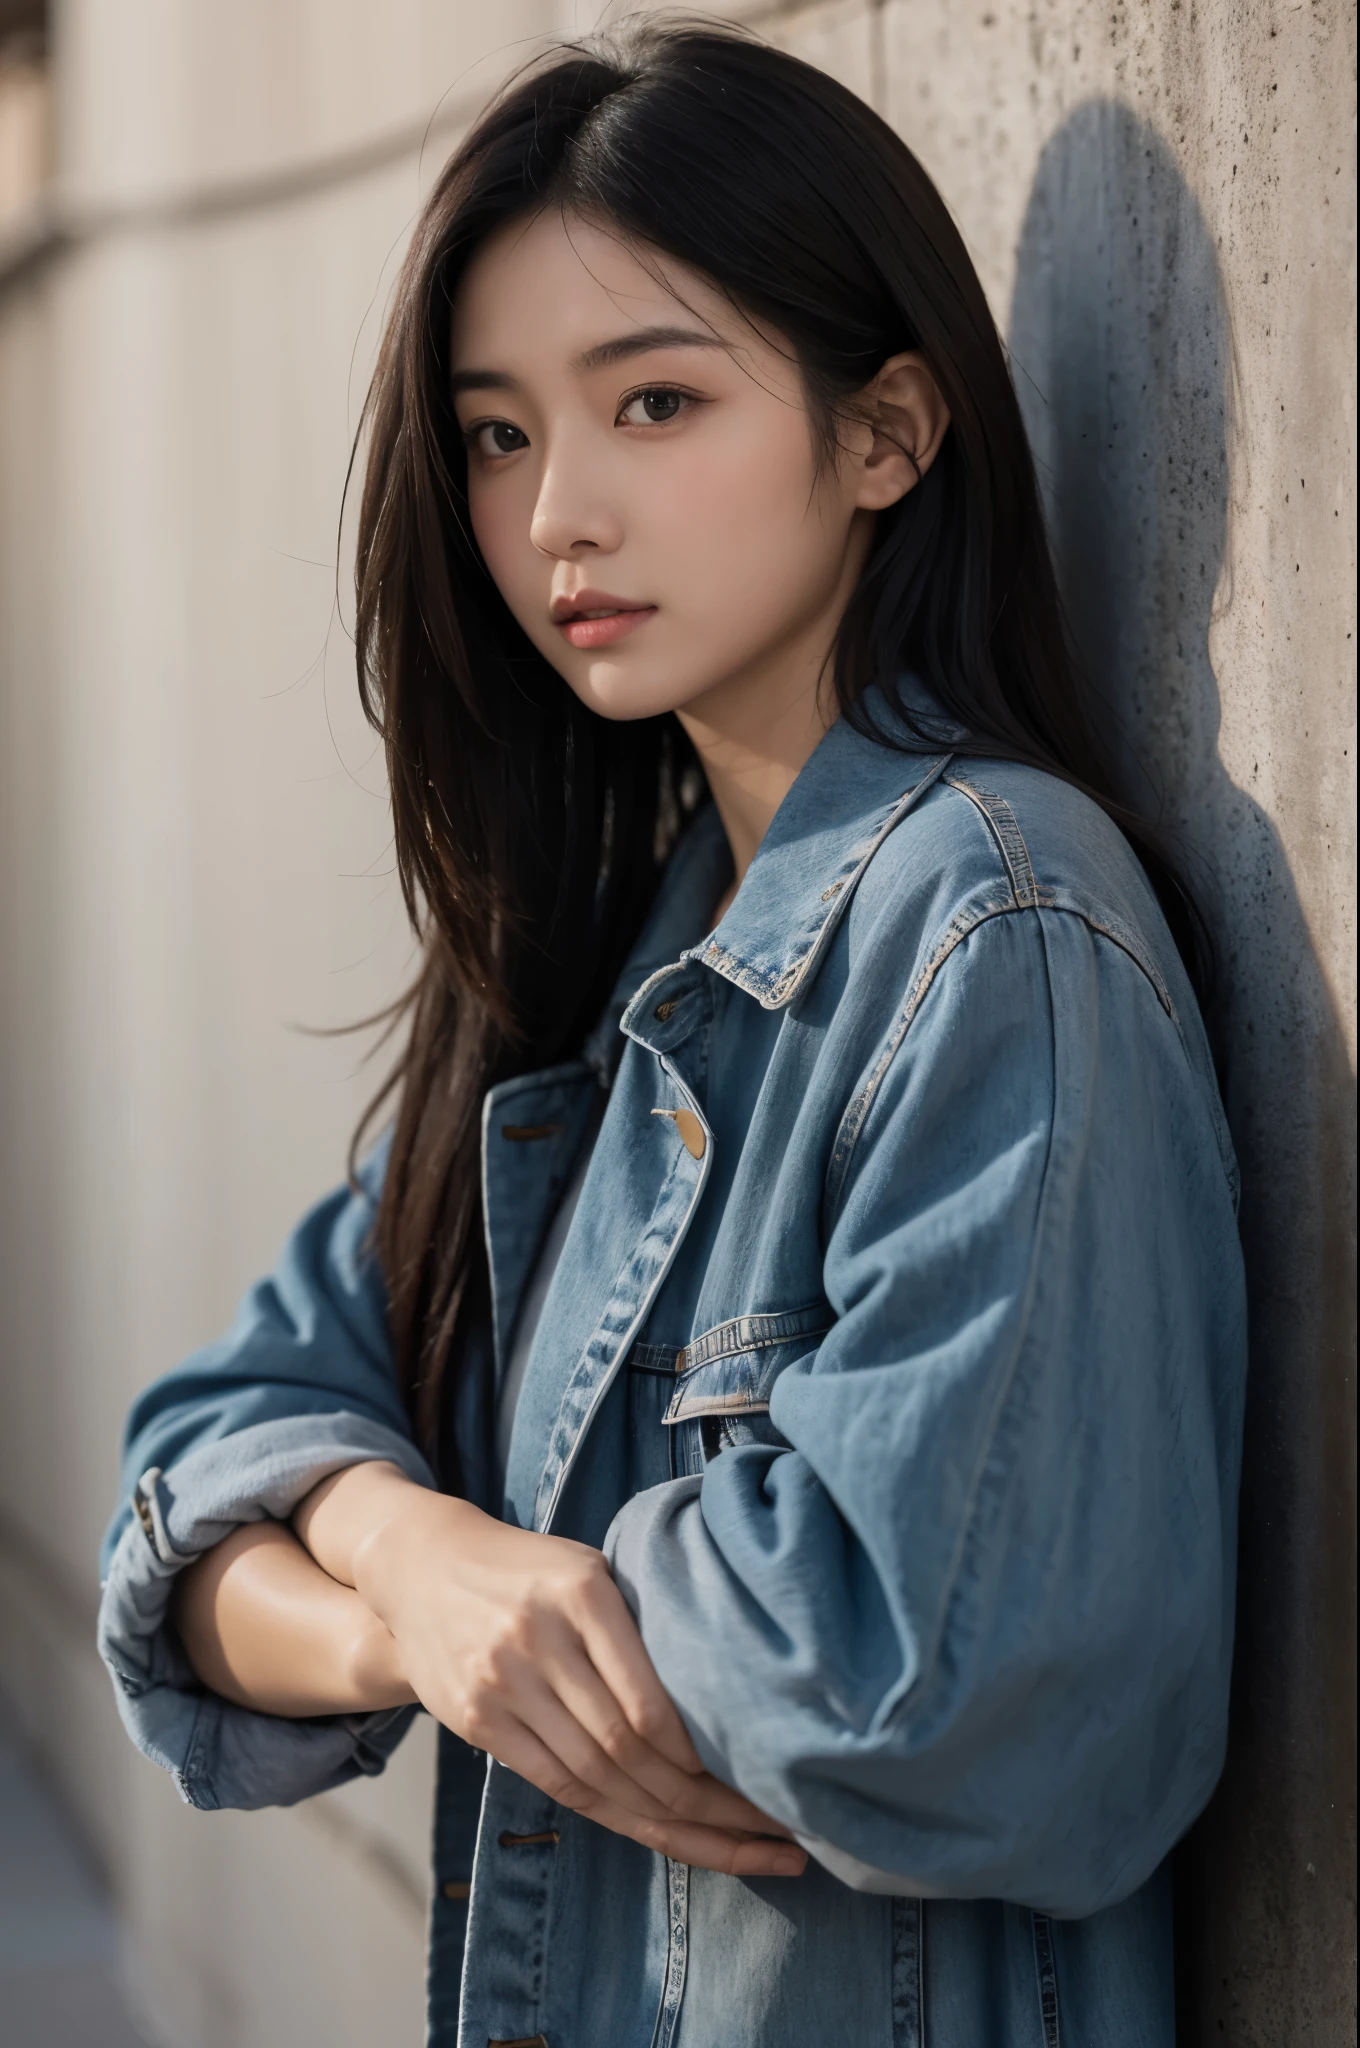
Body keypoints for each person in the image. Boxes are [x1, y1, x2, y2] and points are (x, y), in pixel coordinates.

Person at [97, 23, 1246, 2048]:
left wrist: (414, 1575)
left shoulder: (995, 929)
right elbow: (190, 1476)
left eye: (651, 401)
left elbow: (900, 1673)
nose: (555, 515)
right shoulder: (604, 980)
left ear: (884, 433)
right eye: (494, 433)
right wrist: (423, 1568)